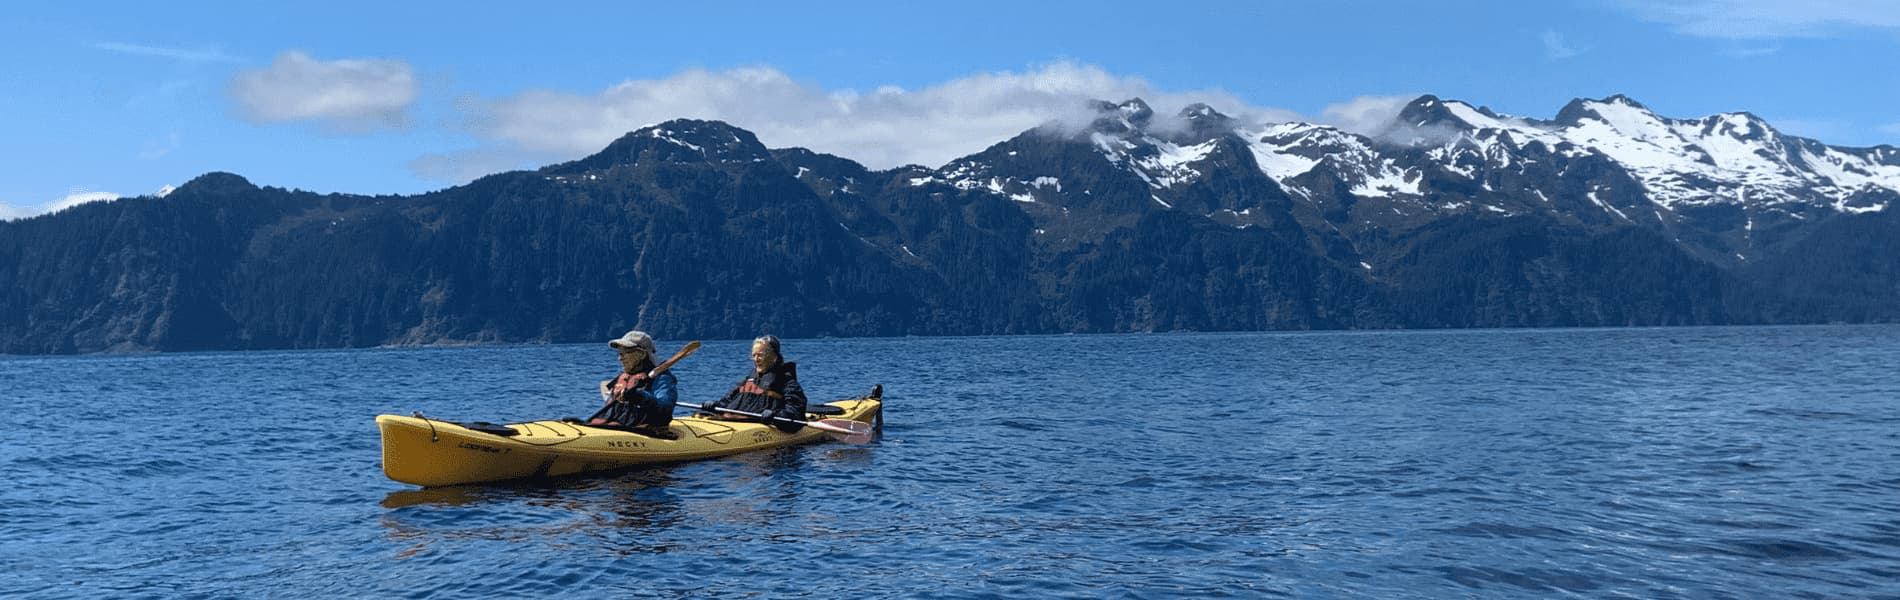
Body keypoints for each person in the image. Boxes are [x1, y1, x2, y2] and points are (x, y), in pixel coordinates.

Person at [701, 335, 807, 433]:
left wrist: (777, 415)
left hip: (759, 426)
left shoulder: (786, 381)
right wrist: (715, 406)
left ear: (774, 357)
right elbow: (728, 400)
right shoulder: (749, 380)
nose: (756, 359)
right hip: (735, 422)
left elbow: (796, 411)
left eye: (760, 355)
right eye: (754, 355)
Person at [591, 330, 678, 439]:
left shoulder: (662, 379)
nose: (620, 358)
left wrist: (639, 396)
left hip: (646, 433)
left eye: (624, 353)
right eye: (619, 353)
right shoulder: (625, 377)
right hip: (617, 427)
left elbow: (665, 408)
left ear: (641, 354)